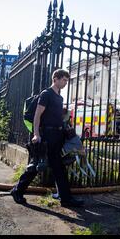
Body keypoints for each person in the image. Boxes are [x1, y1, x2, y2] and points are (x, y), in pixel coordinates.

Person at [11, 69, 84, 208]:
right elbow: (37, 116)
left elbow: (53, 116)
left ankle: (66, 199)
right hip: (46, 136)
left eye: (67, 81)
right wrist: (36, 134)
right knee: (36, 166)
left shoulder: (59, 97)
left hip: (57, 136)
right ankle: (17, 190)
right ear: (55, 79)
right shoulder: (46, 94)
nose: (65, 83)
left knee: (59, 168)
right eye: (64, 80)